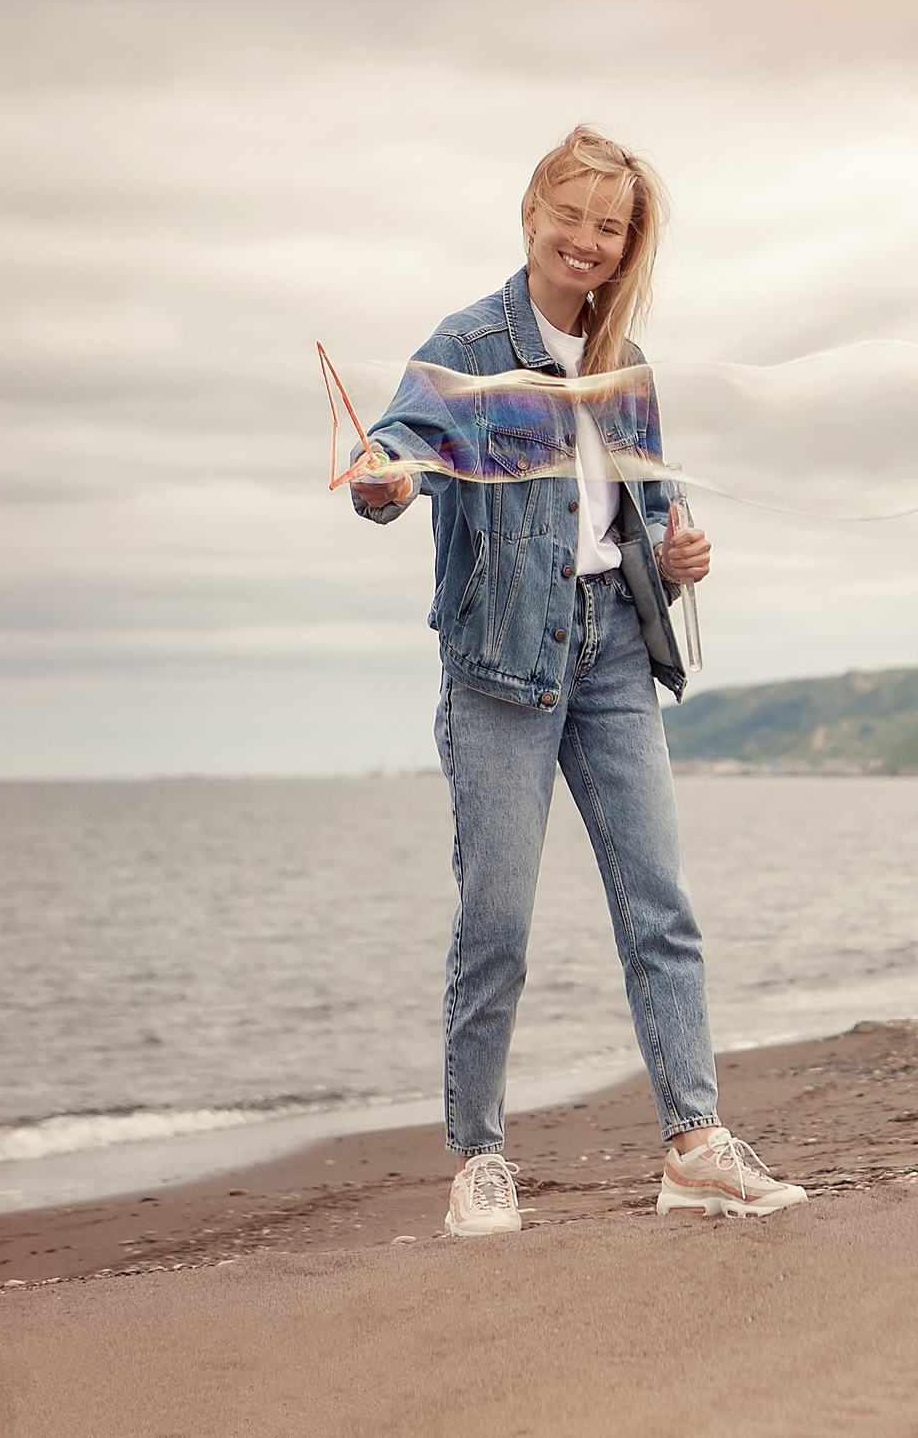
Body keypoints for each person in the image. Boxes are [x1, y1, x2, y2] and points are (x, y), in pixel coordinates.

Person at [352, 125, 803, 1234]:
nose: (589, 242)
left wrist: (679, 552)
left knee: (662, 909)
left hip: (612, 659)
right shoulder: (467, 345)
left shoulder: (627, 365)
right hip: (502, 661)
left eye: (612, 227)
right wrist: (381, 483)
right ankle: (478, 1163)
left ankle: (694, 1145)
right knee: (495, 923)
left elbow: (646, 516)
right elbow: (393, 458)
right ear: (531, 214)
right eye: (574, 218)